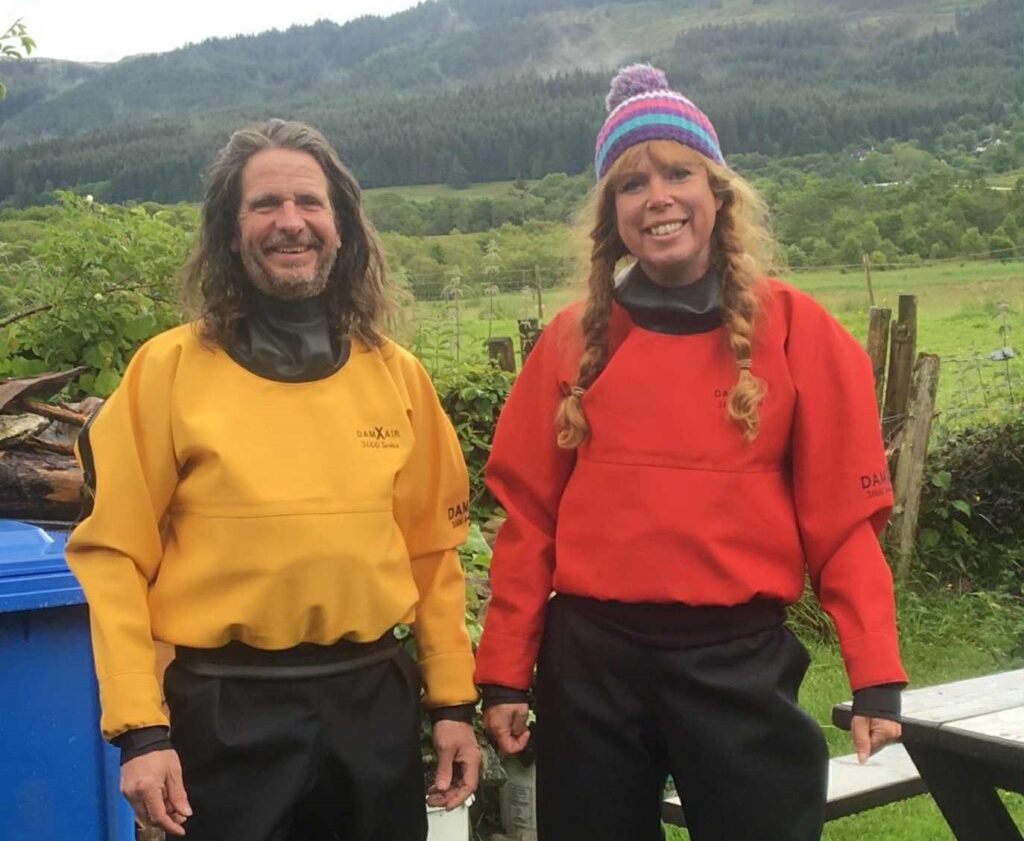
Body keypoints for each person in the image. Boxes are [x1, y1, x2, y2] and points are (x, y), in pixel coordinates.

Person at [474, 65, 905, 841]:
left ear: (718, 193)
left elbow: (845, 521)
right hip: (592, 666)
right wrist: (505, 671)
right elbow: (528, 521)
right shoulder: (572, 342)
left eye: (678, 173)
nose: (657, 197)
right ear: (611, 213)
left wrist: (875, 674)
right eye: (632, 183)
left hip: (737, 660)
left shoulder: (798, 333)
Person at [65, 119, 480, 841]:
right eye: (265, 204)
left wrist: (452, 702)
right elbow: (114, 555)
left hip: (372, 705)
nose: (291, 221)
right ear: (230, 233)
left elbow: (433, 555)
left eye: (309, 202)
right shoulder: (167, 373)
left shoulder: (397, 376)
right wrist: (140, 730)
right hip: (222, 712)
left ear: (342, 227)